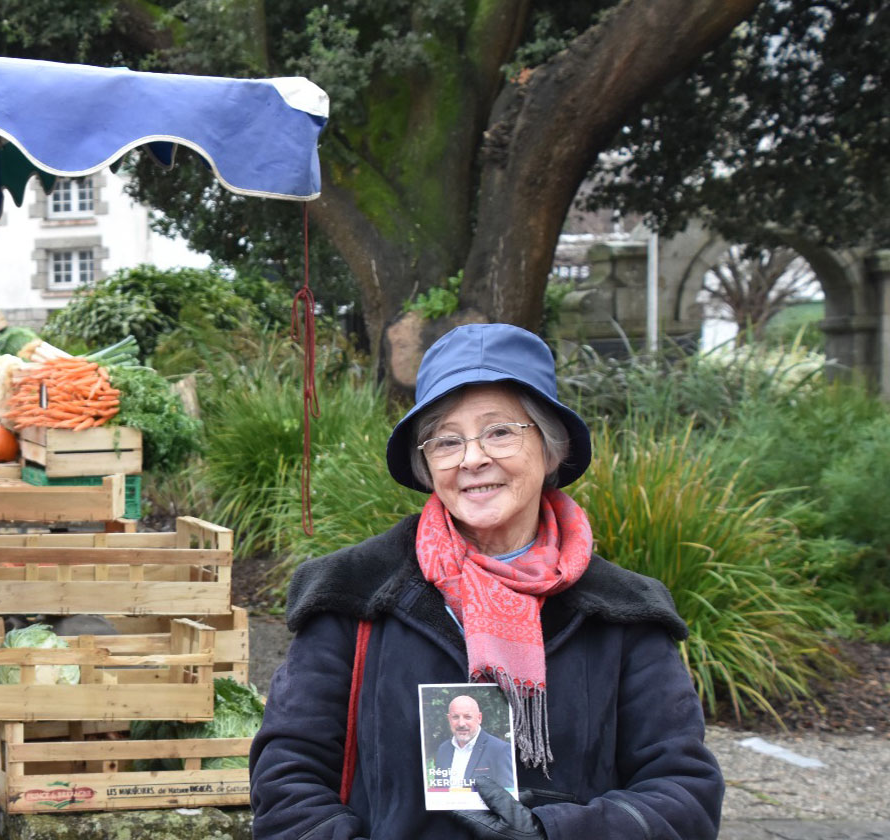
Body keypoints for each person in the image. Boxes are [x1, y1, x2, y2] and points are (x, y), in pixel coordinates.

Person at [250, 323, 723, 839]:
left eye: (500, 431)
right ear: (427, 464)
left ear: (550, 448)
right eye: (447, 440)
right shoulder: (353, 596)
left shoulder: (622, 611)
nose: (472, 458)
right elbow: (287, 777)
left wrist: (555, 833)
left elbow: (683, 792)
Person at [432, 695, 515, 791]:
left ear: (479, 718)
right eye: (455, 717)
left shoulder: (500, 750)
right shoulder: (443, 749)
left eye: (467, 717)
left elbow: (508, 797)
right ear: (449, 719)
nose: (461, 724)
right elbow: (439, 790)